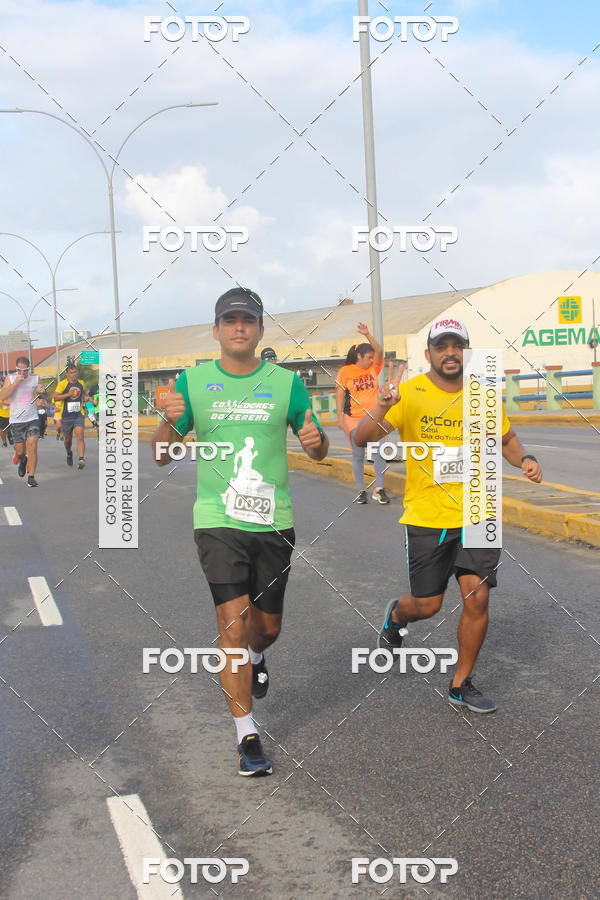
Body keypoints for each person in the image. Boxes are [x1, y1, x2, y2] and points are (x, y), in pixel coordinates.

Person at [152, 287, 329, 777]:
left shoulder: (287, 384)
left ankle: (256, 655)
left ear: (259, 329)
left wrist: (317, 441)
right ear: (216, 330)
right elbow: (162, 455)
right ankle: (247, 735)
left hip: (274, 521)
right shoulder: (192, 382)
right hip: (217, 520)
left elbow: (316, 446)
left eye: (247, 320)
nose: (238, 327)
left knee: (267, 628)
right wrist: (166, 425)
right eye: (229, 320)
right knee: (231, 625)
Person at [354, 318, 543, 713]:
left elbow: (505, 438)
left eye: (458, 346)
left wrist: (523, 458)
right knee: (428, 605)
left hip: (479, 509)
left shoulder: (483, 395)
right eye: (442, 346)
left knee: (478, 598)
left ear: (466, 353)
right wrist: (382, 405)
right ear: (429, 354)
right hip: (427, 513)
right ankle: (396, 616)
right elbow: (362, 437)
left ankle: (462, 683)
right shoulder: (409, 393)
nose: (451, 353)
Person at [336, 322, 390, 504]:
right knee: (358, 455)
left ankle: (379, 489)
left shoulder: (373, 368)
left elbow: (380, 351)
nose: (371, 360)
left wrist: (367, 334)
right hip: (353, 419)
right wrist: (339, 419)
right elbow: (340, 393)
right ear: (359, 356)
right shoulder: (345, 371)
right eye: (368, 357)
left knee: (380, 452)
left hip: (374, 418)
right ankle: (361, 491)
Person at [0, 356, 44, 487]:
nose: (23, 373)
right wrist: (15, 384)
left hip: (32, 418)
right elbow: (3, 396)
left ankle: (31, 477)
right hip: (16, 420)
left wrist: (43, 391)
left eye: (25, 371)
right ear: (16, 369)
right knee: (20, 451)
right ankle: (23, 460)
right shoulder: (11, 378)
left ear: (28, 369)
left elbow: (43, 393)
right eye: (20, 370)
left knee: (32, 444)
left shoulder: (35, 378)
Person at [53, 364, 89, 469]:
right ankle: (69, 452)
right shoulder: (62, 384)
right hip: (66, 416)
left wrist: (85, 397)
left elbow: (83, 393)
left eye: (75, 372)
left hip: (78, 414)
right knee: (68, 440)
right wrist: (68, 394)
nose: (74, 374)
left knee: (80, 435)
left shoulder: (81, 383)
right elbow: (55, 397)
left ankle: (81, 459)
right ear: (67, 374)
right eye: (71, 373)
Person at [0, 377, 13, 447]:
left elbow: (13, 401)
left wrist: (6, 402)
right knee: (1, 429)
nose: (3, 382)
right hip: (1, 414)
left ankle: (9, 436)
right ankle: (4, 442)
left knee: (9, 428)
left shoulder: (10, 391)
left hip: (10, 413)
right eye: (2, 381)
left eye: (4, 381)